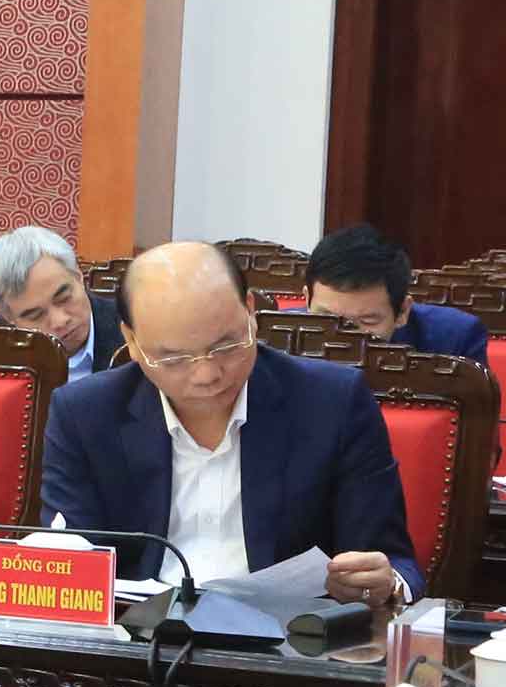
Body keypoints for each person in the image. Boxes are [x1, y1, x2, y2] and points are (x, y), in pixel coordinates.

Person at [42, 241, 418, 608]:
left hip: (289, 635)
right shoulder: (84, 414)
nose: (207, 375)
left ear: (250, 311)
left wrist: (383, 584)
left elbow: (394, 563)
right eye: (174, 359)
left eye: (226, 346)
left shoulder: (333, 402)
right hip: (137, 634)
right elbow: (73, 558)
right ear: (132, 341)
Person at [306, 223, 491, 361]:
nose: (344, 340)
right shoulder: (287, 336)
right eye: (328, 319)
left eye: (367, 321)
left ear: (402, 311)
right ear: (307, 300)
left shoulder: (454, 340)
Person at [0, 225, 121, 383]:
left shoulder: (132, 329)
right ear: (9, 318)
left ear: (78, 276)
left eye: (64, 298)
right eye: (36, 315)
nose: (60, 321)